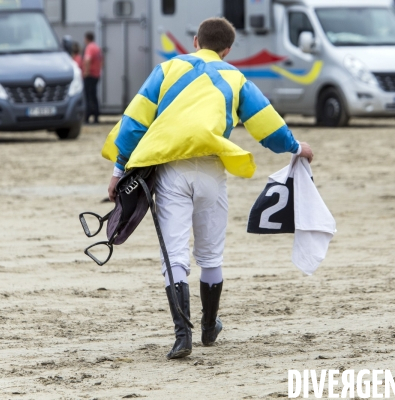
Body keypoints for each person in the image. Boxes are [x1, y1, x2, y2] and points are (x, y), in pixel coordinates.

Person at [101, 17, 313, 360]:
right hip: (212, 170)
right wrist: (294, 147)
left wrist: (117, 170)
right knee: (211, 255)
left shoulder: (167, 68)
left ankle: (181, 336)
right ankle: (209, 326)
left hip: (171, 169)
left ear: (196, 40)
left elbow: (134, 122)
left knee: (175, 254)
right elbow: (266, 121)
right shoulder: (235, 76)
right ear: (227, 50)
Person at [83, 31, 102, 124]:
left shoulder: (89, 47)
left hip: (90, 75)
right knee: (94, 96)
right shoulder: (97, 47)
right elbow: (102, 60)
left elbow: (87, 60)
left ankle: (87, 117)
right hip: (96, 75)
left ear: (87, 39)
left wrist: (86, 72)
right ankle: (96, 117)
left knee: (88, 97)